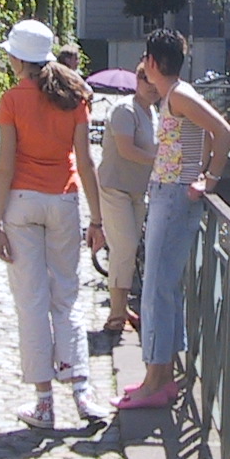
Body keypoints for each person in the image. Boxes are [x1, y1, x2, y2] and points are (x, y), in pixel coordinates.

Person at [0, 19, 108, 430]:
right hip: (64, 199)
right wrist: (97, 218)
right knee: (67, 299)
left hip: (22, 202)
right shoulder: (75, 98)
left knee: (32, 301)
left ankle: (43, 402)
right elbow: (86, 161)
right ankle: (82, 391)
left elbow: (5, 165)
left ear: (18, 58)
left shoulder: (11, 99)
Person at [117, 29, 230, 412]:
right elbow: (204, 136)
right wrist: (200, 172)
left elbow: (223, 131)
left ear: (152, 62)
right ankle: (161, 377)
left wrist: (208, 180)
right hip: (170, 193)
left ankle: (156, 380)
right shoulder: (176, 95)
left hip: (174, 196)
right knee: (162, 289)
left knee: (156, 290)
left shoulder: (180, 95)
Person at [96, 65, 159, 334]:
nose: (151, 85)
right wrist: (162, 162)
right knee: (125, 247)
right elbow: (126, 150)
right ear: (137, 79)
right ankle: (115, 314)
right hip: (115, 187)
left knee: (128, 250)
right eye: (145, 79)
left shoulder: (153, 112)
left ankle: (122, 309)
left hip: (136, 189)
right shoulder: (125, 109)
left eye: (155, 80)